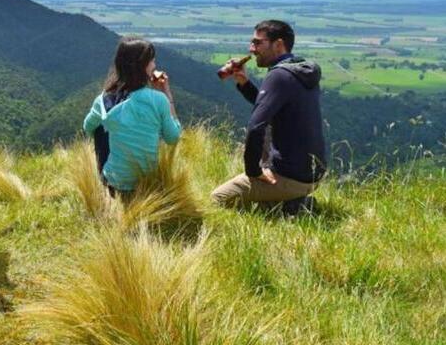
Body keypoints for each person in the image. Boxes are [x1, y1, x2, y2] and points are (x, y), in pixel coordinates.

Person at [210, 20, 327, 215]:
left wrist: (254, 173)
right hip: (312, 174)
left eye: (257, 43)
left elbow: (256, 127)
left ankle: (290, 206)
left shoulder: (278, 75)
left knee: (217, 199)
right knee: (271, 132)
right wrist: (244, 83)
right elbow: (269, 108)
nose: (251, 48)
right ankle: (291, 199)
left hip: (291, 178)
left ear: (278, 44)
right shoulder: (299, 70)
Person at [83, 37, 182, 195]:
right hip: (149, 182)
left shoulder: (103, 100)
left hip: (114, 182)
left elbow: (87, 128)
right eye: (152, 61)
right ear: (144, 67)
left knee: (101, 127)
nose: (155, 65)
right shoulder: (159, 100)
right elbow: (173, 137)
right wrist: (166, 93)